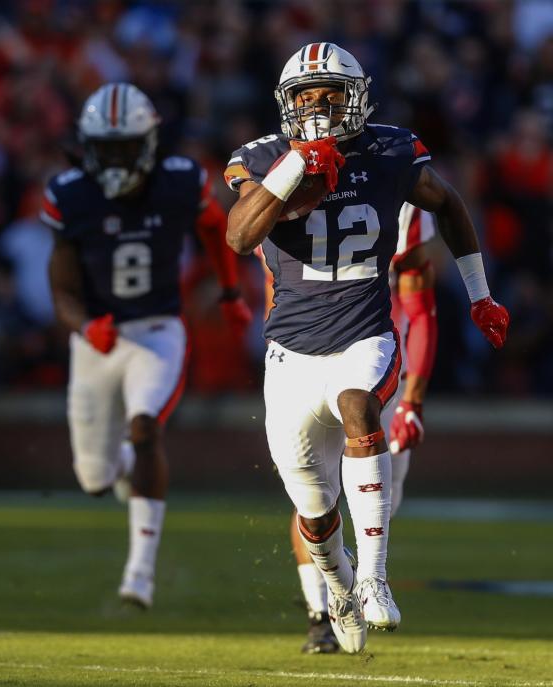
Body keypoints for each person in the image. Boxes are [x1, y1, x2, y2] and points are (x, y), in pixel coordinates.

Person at [225, 43, 509, 653]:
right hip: (290, 353)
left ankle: (376, 579)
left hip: (365, 332)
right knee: (313, 508)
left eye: (332, 94)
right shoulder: (262, 156)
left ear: (356, 97)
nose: (320, 108)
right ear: (287, 105)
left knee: (360, 406)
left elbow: (449, 204)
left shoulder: (389, 150)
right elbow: (239, 235)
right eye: (308, 97)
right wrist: (297, 166)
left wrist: (480, 294)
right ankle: (339, 589)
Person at [45, 82, 252, 609]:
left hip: (158, 330)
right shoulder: (72, 194)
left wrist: (229, 291)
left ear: (149, 142)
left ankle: (139, 574)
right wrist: (84, 325)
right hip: (97, 340)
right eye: (105, 148)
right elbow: (62, 288)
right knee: (93, 478)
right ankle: (118, 463)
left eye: (124, 147)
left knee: (145, 427)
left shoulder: (178, 182)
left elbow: (213, 227)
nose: (114, 159)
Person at [287, 203, 439, 653]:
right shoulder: (291, 193)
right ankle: (322, 612)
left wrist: (412, 399)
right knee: (314, 490)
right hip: (312, 355)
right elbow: (278, 292)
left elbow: (421, 307)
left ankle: (362, 576)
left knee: (378, 504)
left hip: (382, 362)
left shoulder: (404, 202)